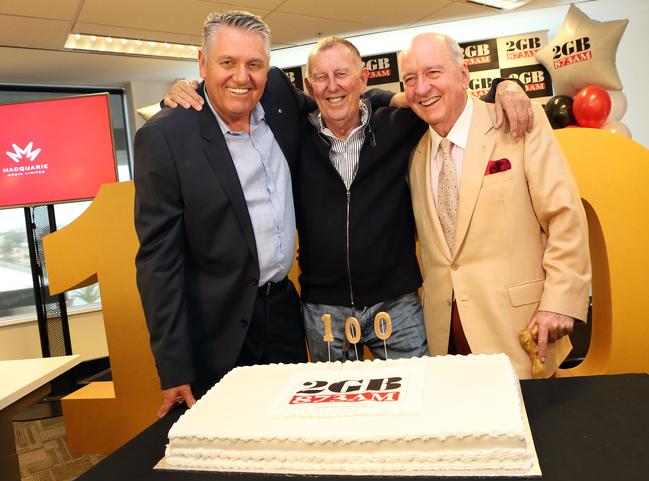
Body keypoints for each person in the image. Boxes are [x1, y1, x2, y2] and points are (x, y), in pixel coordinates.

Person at [163, 35, 533, 363]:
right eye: (320, 78)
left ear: (363, 78)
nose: (332, 86)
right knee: (335, 419)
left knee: (416, 404)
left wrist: (505, 85)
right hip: (323, 311)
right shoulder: (292, 136)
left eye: (342, 74)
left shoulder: (400, 125)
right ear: (308, 85)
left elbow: (451, 100)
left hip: (398, 304)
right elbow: (223, 92)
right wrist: (184, 90)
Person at [134, 11, 309, 418]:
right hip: (216, 333)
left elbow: (340, 101)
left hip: (283, 312)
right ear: (202, 64)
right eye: (227, 62)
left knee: (295, 434)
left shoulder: (279, 95)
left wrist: (399, 97)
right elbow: (159, 262)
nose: (242, 77)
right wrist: (174, 365)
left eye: (254, 64)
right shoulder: (165, 137)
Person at [401, 33, 591, 378]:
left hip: (522, 335)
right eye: (411, 79)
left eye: (434, 72)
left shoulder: (519, 123)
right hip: (446, 346)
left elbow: (564, 216)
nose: (422, 88)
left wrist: (560, 303)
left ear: (463, 74)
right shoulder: (415, 156)